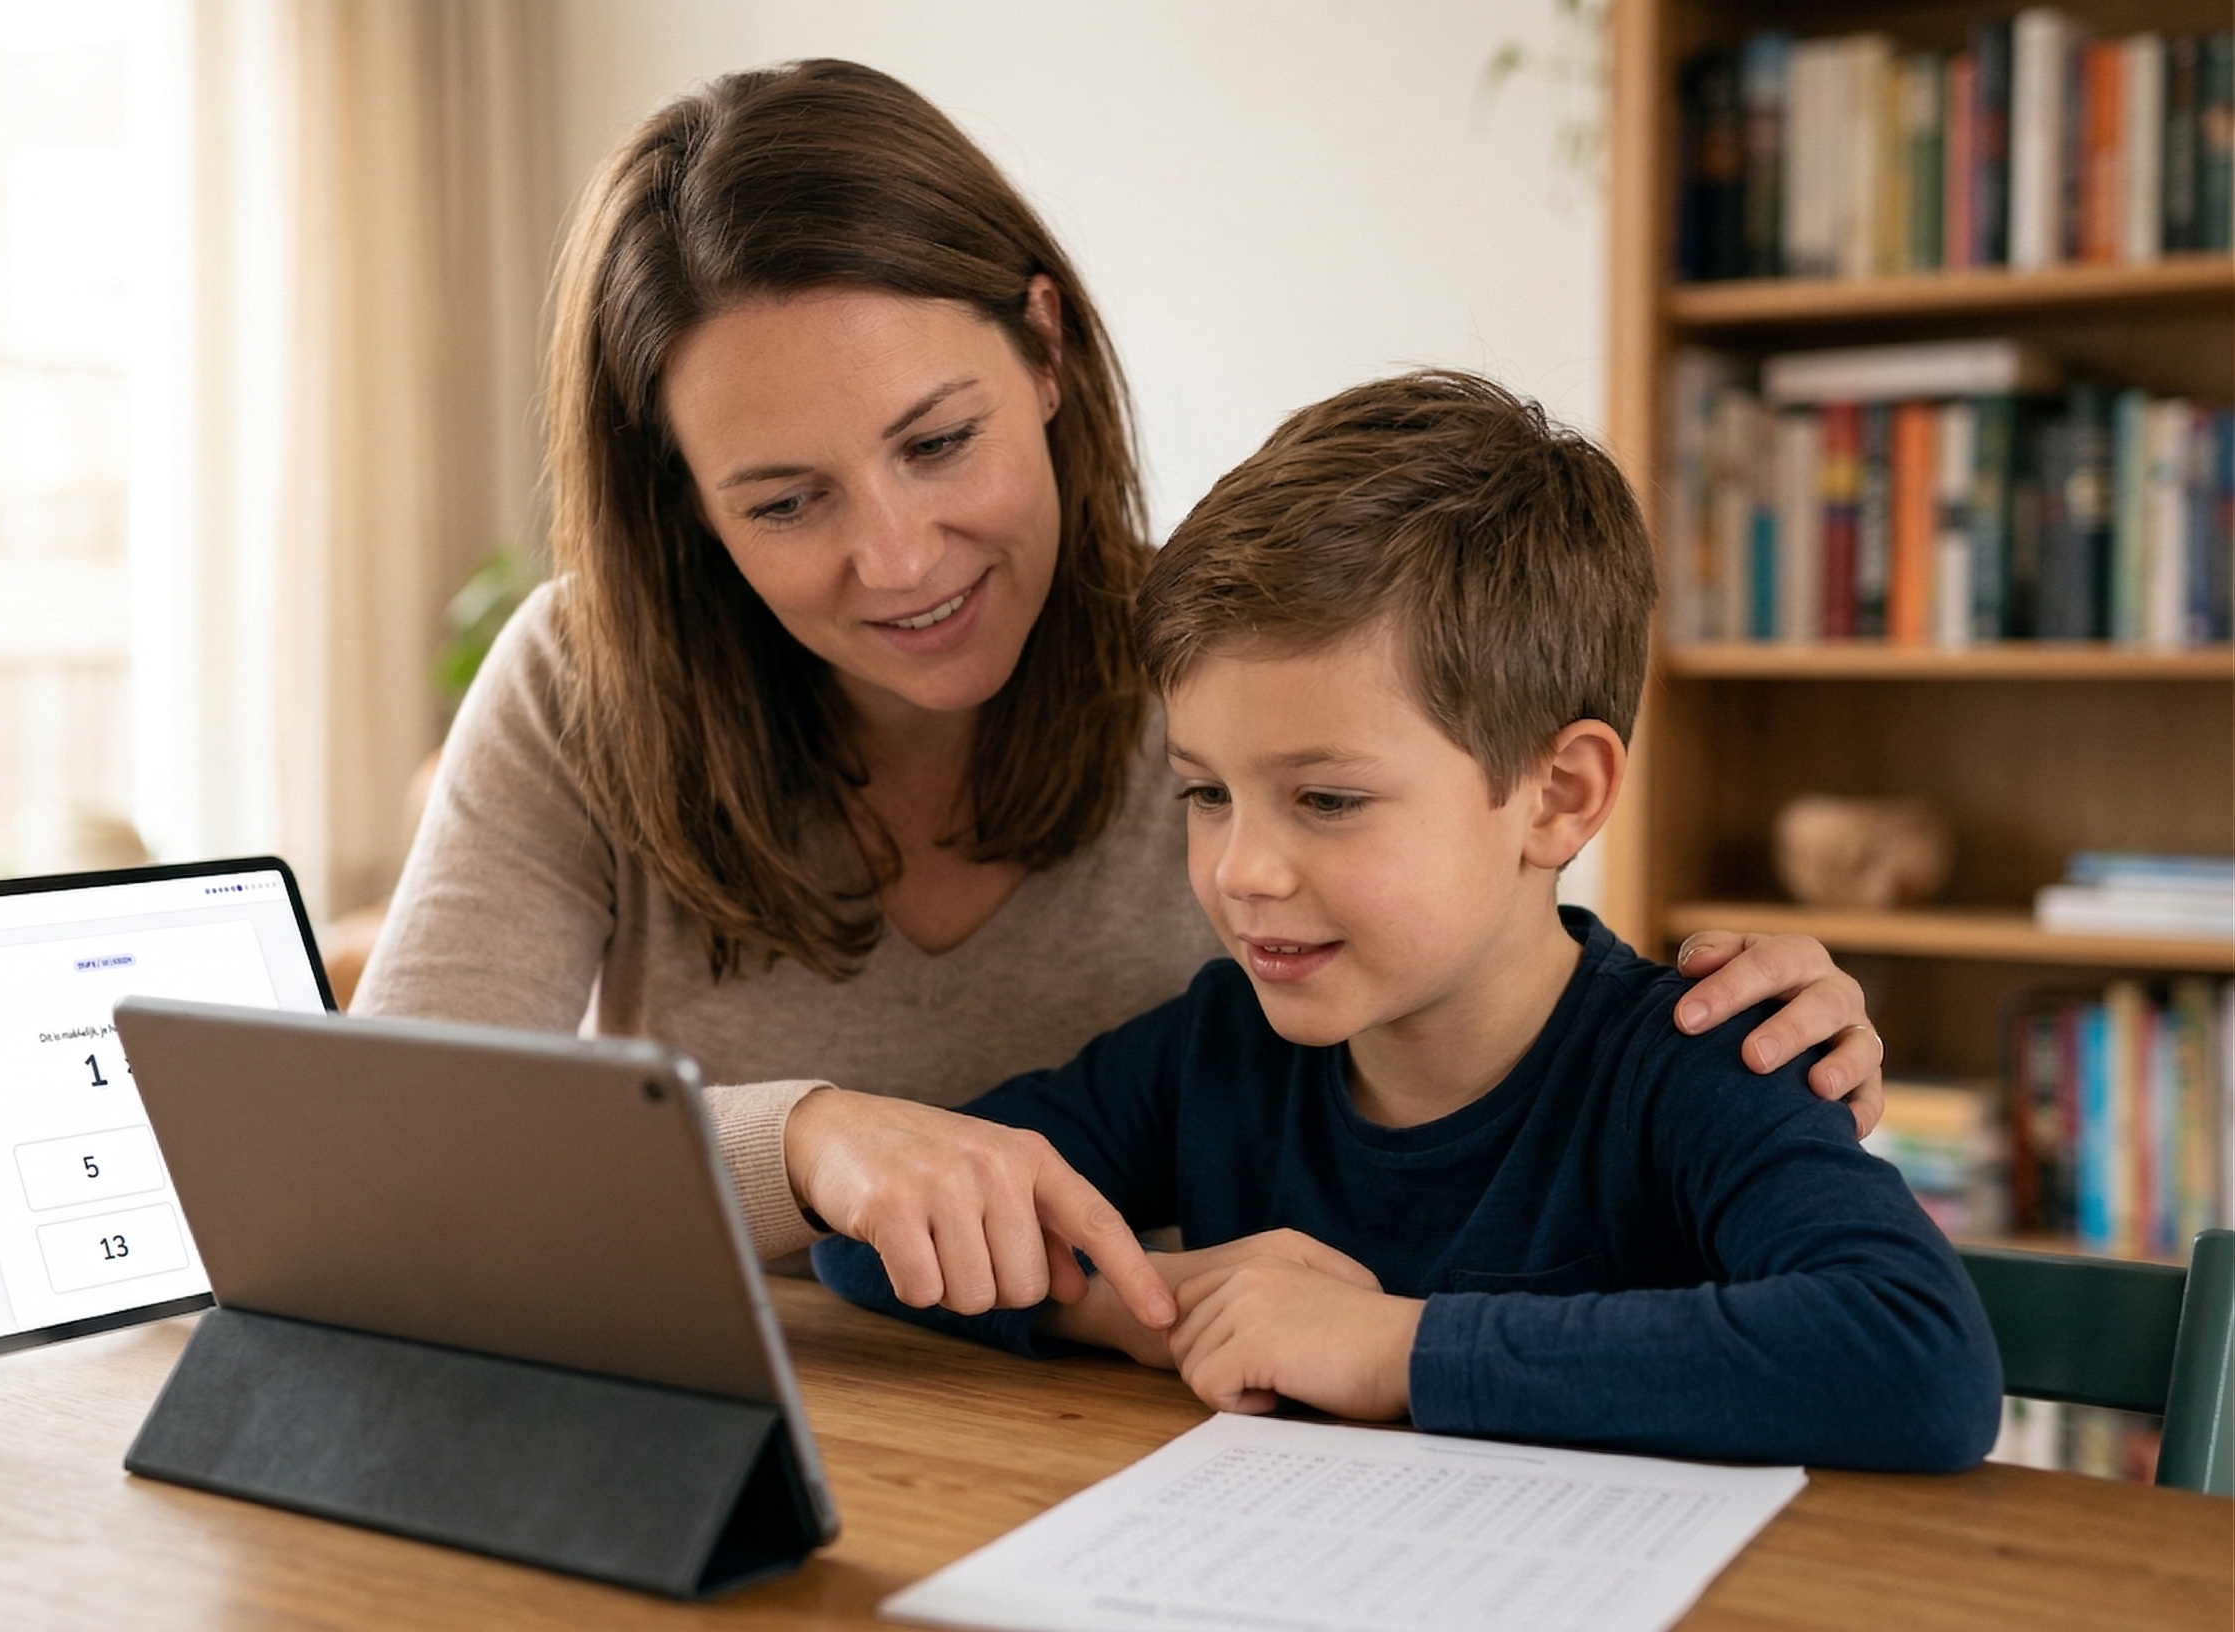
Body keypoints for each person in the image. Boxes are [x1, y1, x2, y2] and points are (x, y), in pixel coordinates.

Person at [353, 58, 1891, 1330]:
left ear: (1044, 348)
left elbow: (1508, 973)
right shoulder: (582, 684)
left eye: (938, 442)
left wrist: (1757, 1030)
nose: (896, 559)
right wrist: (803, 1139)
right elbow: (398, 1161)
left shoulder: (1239, 665)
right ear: (681, 501)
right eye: (781, 501)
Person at [813, 372, 2004, 1471]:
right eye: (1205, 794)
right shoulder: (1215, 1049)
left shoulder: (1703, 1059)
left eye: (1327, 800)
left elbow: (1915, 1357)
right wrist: (1143, 1306)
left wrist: (1392, 1350)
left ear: (1558, 796)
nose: (1243, 872)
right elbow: (870, 1236)